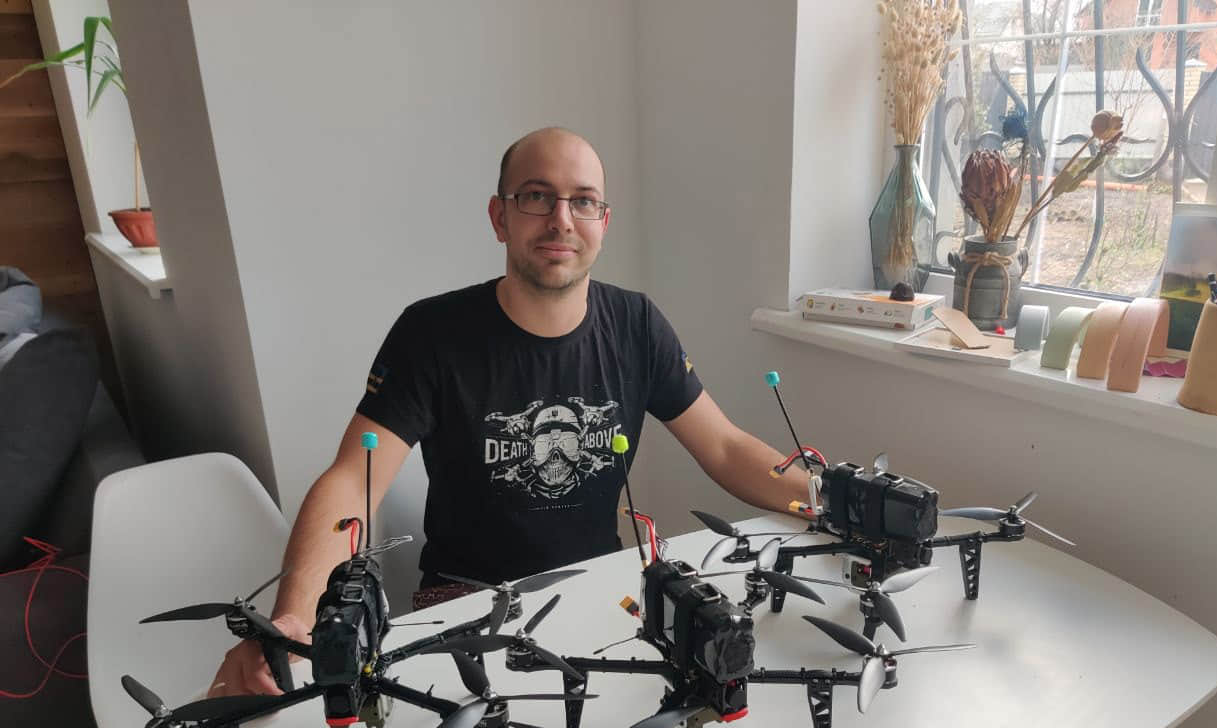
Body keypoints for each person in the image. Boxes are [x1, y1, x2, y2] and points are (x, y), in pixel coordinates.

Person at [209, 126, 809, 697]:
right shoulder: (432, 334)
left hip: (599, 589)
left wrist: (822, 497)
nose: (561, 220)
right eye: (537, 197)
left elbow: (724, 447)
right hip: (461, 602)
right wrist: (294, 618)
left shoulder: (637, 325)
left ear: (603, 222)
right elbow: (352, 481)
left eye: (583, 201)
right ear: (500, 217)